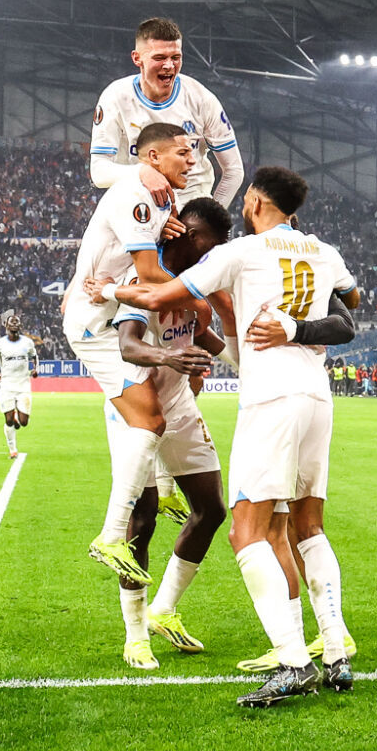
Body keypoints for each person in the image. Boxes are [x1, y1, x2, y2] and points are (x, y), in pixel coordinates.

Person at [111, 166, 362, 708]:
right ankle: (336, 651)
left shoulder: (242, 252)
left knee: (245, 532)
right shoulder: (323, 250)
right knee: (308, 526)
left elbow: (159, 298)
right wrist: (302, 321)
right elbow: (353, 304)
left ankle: (293, 662)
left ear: (252, 200)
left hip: (270, 399)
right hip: (317, 396)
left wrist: (106, 288)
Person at [66, 122, 205, 585]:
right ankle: (109, 536)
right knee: (149, 420)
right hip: (96, 322)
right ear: (152, 159)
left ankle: (163, 488)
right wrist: (198, 293)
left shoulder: (158, 199)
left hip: (108, 309)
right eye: (183, 153)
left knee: (166, 402)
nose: (192, 160)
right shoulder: (136, 194)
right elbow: (148, 273)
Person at [104, 197, 234, 669]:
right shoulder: (144, 280)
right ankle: (134, 634)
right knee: (143, 521)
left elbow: (209, 340)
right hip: (136, 412)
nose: (214, 256)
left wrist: (256, 363)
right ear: (195, 238)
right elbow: (128, 345)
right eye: (213, 246)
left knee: (211, 509)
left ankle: (163, 609)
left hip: (179, 407)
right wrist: (169, 358)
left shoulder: (192, 289)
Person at [90, 16, 243, 209]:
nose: (169, 65)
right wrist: (142, 173)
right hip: (137, 207)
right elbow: (99, 171)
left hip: (191, 210)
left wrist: (209, 219)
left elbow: (234, 171)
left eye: (176, 57)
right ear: (137, 58)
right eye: (160, 57)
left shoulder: (202, 99)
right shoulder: (116, 97)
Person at [0, 310, 37, 460]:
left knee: (24, 422)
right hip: (7, 385)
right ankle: (12, 450)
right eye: (11, 322)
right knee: (8, 420)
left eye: (17, 322)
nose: (14, 324)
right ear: (5, 325)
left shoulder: (27, 342)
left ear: (20, 326)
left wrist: (35, 369)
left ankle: (17, 416)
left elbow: (34, 357)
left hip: (23, 386)